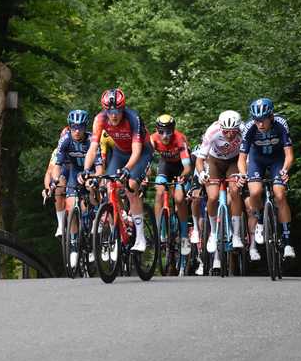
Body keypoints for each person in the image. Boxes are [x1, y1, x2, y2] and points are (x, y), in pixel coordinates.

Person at [81, 88, 153, 252]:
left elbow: (136, 151)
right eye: (110, 111)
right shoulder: (99, 119)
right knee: (109, 185)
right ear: (105, 110)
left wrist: (127, 169)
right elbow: (93, 148)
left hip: (141, 152)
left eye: (117, 111)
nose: (113, 115)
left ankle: (140, 238)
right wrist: (86, 169)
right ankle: (123, 218)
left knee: (131, 186)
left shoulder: (133, 118)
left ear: (123, 108)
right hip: (120, 152)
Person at [238, 98, 295, 259]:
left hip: (277, 159)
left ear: (271, 117)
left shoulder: (281, 123)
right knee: (255, 192)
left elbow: (289, 155)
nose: (260, 124)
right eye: (256, 120)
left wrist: (285, 169)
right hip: (257, 160)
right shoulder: (250, 127)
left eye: (263, 120)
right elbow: (242, 158)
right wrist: (243, 173)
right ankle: (260, 221)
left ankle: (288, 242)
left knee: (280, 194)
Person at [195, 110, 245, 270]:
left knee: (235, 191)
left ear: (238, 128)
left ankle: (236, 235)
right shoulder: (212, 131)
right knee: (212, 196)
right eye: (226, 131)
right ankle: (213, 233)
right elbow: (200, 160)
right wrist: (202, 173)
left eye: (233, 131)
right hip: (214, 161)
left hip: (233, 162)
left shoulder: (243, 130)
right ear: (220, 127)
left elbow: (248, 154)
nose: (230, 135)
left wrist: (244, 172)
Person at [52, 109, 101, 266]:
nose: (77, 131)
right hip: (74, 172)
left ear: (85, 127)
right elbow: (57, 165)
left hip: (91, 171)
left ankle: (95, 226)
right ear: (70, 127)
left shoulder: (92, 140)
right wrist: (55, 180)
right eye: (74, 127)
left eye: (80, 127)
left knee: (91, 192)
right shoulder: (65, 140)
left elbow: (100, 169)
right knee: (70, 205)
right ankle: (73, 244)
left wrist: (93, 178)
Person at [150, 114, 192, 255]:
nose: (165, 136)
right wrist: (145, 174)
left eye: (168, 131)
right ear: (157, 130)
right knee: (159, 192)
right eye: (161, 132)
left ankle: (185, 236)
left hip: (181, 168)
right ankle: (159, 233)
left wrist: (182, 177)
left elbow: (187, 167)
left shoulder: (180, 139)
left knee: (179, 199)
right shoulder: (153, 139)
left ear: (173, 130)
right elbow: (146, 160)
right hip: (165, 166)